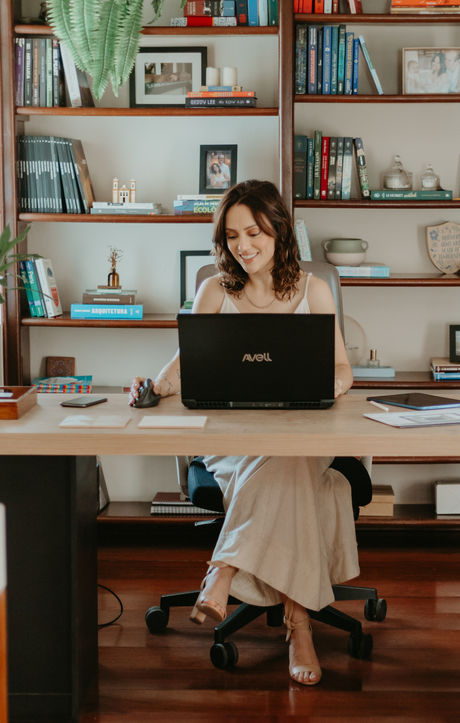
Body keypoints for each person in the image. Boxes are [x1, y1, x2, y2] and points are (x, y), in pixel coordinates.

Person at [128, 179, 357, 686]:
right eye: (232, 236)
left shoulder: (313, 291)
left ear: (279, 232)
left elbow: (343, 369)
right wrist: (155, 385)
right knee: (288, 474)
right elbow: (183, 363)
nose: (243, 245)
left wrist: (330, 385)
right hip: (233, 443)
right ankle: (300, 629)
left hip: (302, 436)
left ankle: (223, 570)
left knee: (291, 459)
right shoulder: (215, 290)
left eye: (254, 232)